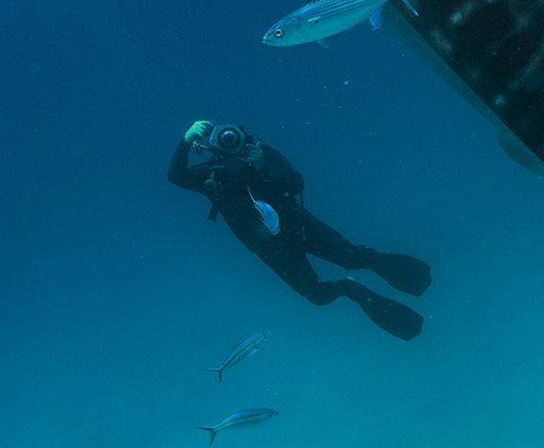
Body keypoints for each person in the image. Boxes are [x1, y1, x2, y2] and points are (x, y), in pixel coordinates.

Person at [167, 120, 431, 341]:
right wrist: (185, 142)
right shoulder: (211, 175)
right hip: (271, 249)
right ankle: (352, 289)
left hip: (300, 226)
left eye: (232, 136)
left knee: (352, 257)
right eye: (222, 139)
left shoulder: (261, 155)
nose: (229, 142)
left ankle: (391, 268)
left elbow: (296, 183)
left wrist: (262, 165)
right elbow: (176, 176)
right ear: (212, 145)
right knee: (317, 295)